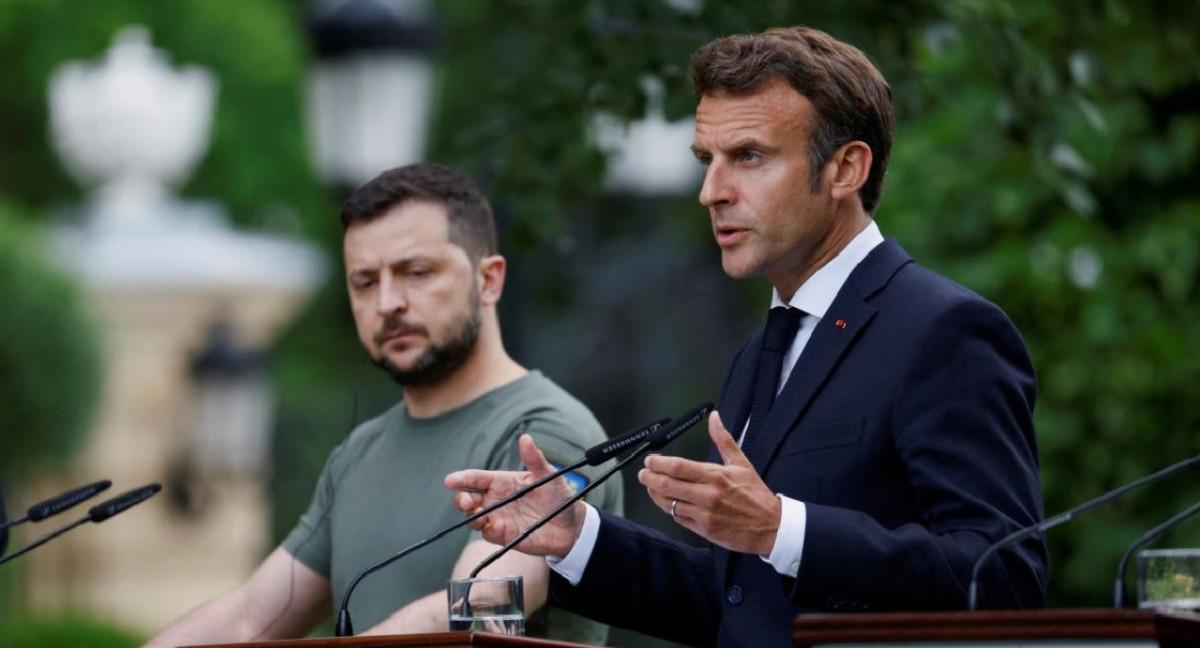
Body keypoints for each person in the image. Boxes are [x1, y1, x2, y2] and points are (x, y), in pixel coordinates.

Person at [447, 26, 1047, 648]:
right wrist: (577, 537)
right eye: (708, 160)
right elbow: (733, 600)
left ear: (846, 168)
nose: (712, 191)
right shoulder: (758, 354)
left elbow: (1002, 578)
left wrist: (782, 530)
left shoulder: (945, 331)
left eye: (750, 156)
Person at [143, 163, 621, 646]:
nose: (388, 302)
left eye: (416, 272)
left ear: (490, 280)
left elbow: (482, 607)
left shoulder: (548, 435)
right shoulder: (358, 455)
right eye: (365, 282)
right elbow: (250, 620)